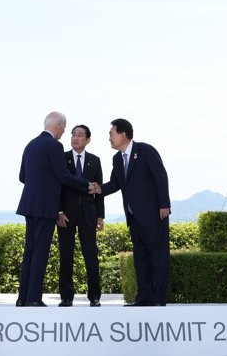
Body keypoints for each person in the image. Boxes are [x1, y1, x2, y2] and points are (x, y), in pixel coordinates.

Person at [16, 111, 98, 307]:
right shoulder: (54, 145)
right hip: (45, 207)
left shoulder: (31, 144)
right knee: (40, 252)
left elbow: (23, 177)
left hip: (29, 204)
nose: (64, 132)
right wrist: (87, 185)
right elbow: (63, 176)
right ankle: (34, 298)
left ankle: (23, 297)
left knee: (30, 251)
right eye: (64, 127)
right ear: (59, 126)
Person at [99, 118, 171, 306]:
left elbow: (160, 177)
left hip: (155, 215)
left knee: (158, 258)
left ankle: (158, 298)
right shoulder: (117, 159)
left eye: (111, 134)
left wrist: (164, 205)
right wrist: (97, 189)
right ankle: (143, 297)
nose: (109, 138)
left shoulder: (145, 150)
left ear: (123, 135)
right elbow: (115, 184)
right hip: (133, 218)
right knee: (141, 260)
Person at [56, 124, 104, 307]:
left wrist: (101, 216)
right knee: (65, 256)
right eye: (73, 134)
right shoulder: (62, 158)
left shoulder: (95, 160)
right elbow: (57, 187)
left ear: (88, 140)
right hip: (65, 216)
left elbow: (99, 191)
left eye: (80, 135)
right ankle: (66, 297)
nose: (75, 138)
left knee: (91, 255)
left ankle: (94, 296)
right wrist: (58, 212)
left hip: (88, 215)